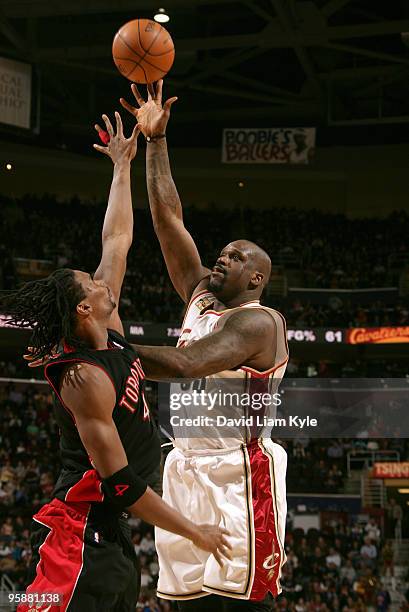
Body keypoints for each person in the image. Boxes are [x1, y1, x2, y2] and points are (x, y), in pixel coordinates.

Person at [1, 112, 230, 612]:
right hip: (81, 532)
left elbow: (116, 240)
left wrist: (121, 166)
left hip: (112, 535)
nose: (105, 282)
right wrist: (196, 533)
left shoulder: (108, 329)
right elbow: (121, 484)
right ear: (84, 308)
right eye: (93, 282)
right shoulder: (83, 377)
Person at [120, 81, 289, 611]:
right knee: (186, 603)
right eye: (222, 253)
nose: (223, 258)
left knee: (235, 604)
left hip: (238, 474)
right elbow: (169, 219)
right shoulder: (201, 297)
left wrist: (106, 347)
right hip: (186, 467)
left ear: (257, 278)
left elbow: (190, 363)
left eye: (235, 257)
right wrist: (157, 141)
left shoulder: (260, 323)